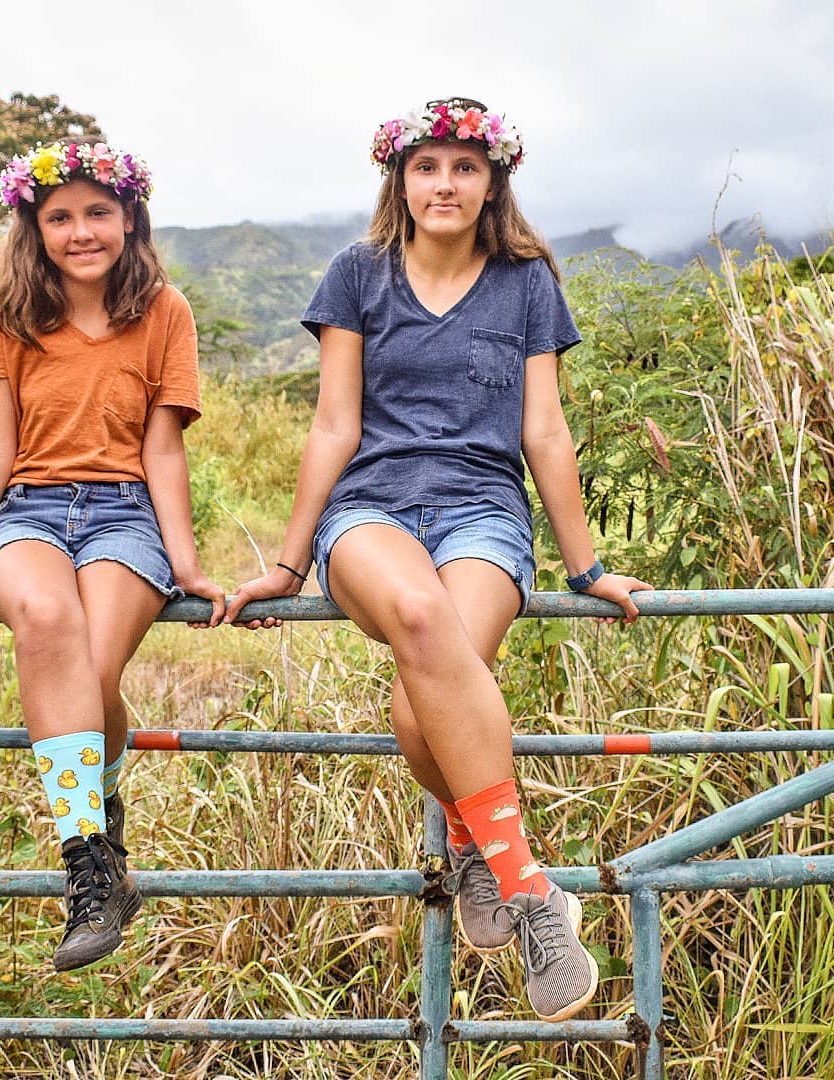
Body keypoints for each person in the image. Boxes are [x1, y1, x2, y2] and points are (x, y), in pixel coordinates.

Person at [225, 97, 652, 1022]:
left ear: (494, 178)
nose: (445, 183)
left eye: (464, 166)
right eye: (427, 166)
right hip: (370, 510)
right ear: (400, 178)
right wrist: (290, 564)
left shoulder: (528, 280)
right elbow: (335, 424)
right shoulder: (357, 275)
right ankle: (530, 887)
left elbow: (544, 429)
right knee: (422, 622)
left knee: (427, 696)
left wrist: (586, 570)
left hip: (483, 512)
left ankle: (470, 845)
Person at [0, 140, 225, 972]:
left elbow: (163, 452)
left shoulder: (164, 311)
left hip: (124, 515)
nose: (81, 231)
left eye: (97, 213)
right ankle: (89, 865)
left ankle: (101, 821)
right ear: (34, 228)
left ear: (129, 218)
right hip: (27, 513)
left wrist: (184, 562)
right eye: (60, 217)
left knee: (94, 670)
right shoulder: (10, 314)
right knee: (46, 623)